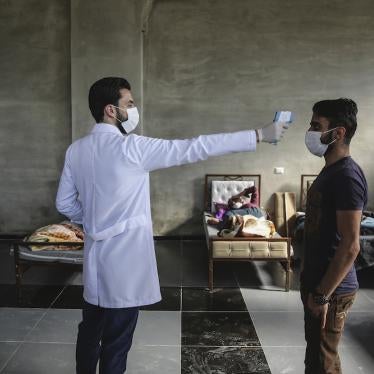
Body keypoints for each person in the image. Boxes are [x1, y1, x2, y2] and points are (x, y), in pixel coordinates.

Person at [55, 76, 290, 374]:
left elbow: (64, 204)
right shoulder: (133, 148)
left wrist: (90, 218)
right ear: (111, 110)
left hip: (95, 263)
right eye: (129, 103)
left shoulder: (76, 150)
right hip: (124, 264)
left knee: (90, 329)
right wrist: (258, 134)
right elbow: (194, 147)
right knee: (117, 339)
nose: (134, 108)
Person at [301, 98, 368, 374]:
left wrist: (322, 295)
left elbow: (351, 246)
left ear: (338, 133)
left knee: (321, 363)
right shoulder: (331, 170)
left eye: (317, 126)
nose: (311, 131)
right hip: (319, 283)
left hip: (332, 290)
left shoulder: (347, 177)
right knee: (319, 357)